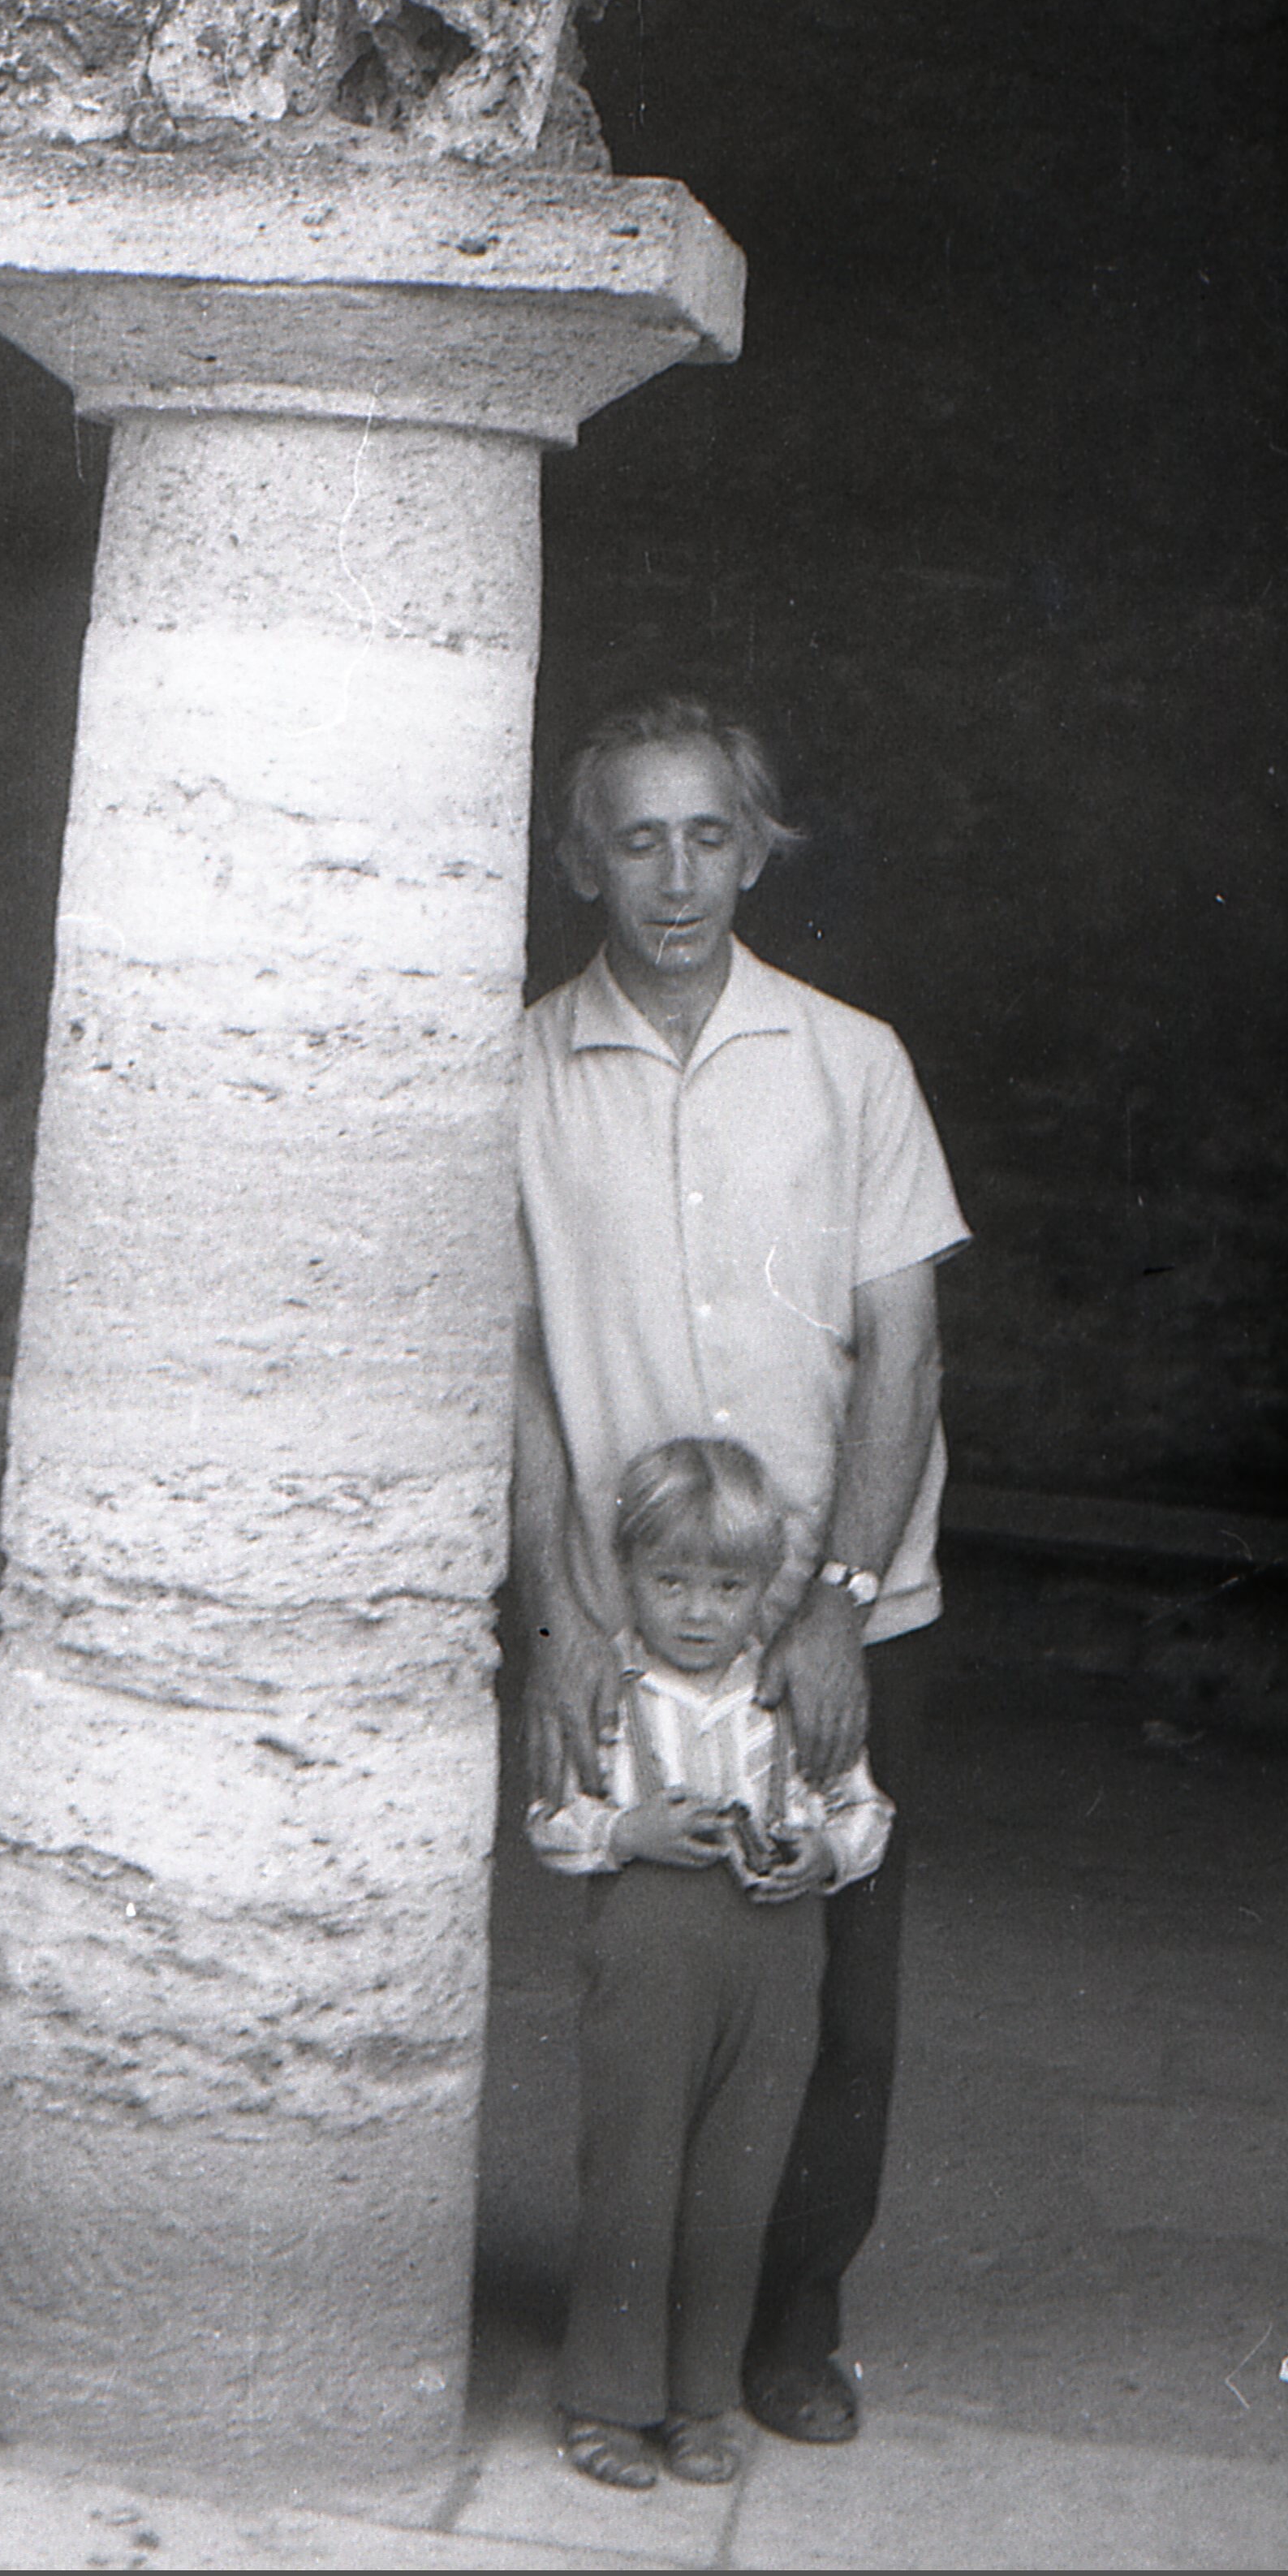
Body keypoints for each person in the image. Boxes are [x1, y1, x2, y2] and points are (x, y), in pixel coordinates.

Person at [512, 694, 969, 2447]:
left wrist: (839, 1604)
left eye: (710, 834)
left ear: (755, 848)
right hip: (639, 1623)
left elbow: (905, 1348)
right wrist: (559, 1612)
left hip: (845, 1606)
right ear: (583, 862)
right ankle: (637, 2347)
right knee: (656, 1985)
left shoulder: (851, 1060)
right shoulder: (520, 1072)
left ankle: (790, 2324)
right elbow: (514, 1369)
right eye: (637, 838)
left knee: (836, 1993)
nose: (677, 876)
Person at [529, 1434, 893, 2489]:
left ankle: (700, 2397)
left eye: (727, 1588)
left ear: (767, 1584)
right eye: (671, 1582)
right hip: (650, 1961)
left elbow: (865, 1809)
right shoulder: (611, 1688)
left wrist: (825, 1854)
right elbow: (552, 1817)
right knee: (634, 2175)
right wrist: (625, 1832)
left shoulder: (789, 1692)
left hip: (776, 1960)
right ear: (626, 1570)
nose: (697, 1611)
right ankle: (607, 2398)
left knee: (738, 2183)